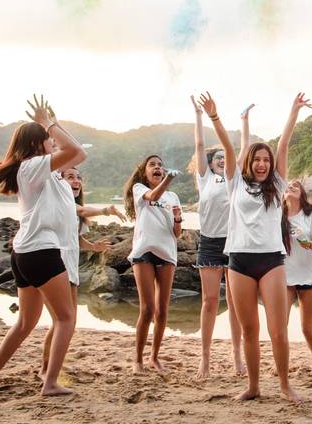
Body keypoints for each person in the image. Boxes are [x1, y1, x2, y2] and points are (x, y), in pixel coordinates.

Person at [198, 91, 311, 402]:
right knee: (250, 330)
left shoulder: (276, 184)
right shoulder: (234, 181)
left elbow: (284, 144)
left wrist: (293, 112)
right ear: (250, 161)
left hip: (271, 262)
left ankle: (286, 385)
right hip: (238, 263)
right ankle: (253, 386)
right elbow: (225, 146)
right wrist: (214, 117)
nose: (262, 163)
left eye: (266, 159)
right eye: (258, 159)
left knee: (278, 331)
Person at [0, 95, 85, 396]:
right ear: (39, 144)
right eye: (48, 139)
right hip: (41, 252)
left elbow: (77, 155)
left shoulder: (49, 175)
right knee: (66, 317)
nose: (53, 142)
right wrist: (47, 123)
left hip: (26, 253)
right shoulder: (32, 166)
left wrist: (54, 123)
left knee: (25, 322)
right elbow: (73, 150)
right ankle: (49, 382)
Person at [38, 166, 126, 379]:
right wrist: (106, 211)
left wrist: (93, 247)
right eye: (70, 177)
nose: (76, 181)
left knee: (68, 322)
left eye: (79, 178)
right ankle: (46, 369)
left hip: (71, 267)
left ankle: (52, 365)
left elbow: (76, 238)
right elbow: (81, 211)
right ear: (60, 182)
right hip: (55, 264)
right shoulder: (61, 202)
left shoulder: (75, 209)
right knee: (62, 321)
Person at [190, 96, 253, 378]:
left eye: (221, 158)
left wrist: (243, 121)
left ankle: (237, 356)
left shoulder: (232, 179)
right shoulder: (204, 178)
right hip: (209, 243)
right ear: (209, 163)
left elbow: (242, 149)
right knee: (209, 301)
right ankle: (204, 359)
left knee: (236, 303)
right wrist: (199, 116)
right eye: (215, 158)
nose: (219, 160)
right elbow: (200, 145)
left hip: (233, 243)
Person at [123, 155, 182, 373]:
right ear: (145, 172)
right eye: (152, 165)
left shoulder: (173, 196)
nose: (157, 167)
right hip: (144, 252)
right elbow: (152, 195)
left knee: (162, 311)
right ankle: (137, 360)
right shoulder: (140, 189)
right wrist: (167, 180)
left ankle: (154, 358)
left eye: (160, 165)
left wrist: (177, 218)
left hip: (167, 253)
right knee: (147, 309)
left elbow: (177, 234)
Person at [282, 180, 312, 376]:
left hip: (309, 274)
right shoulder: (278, 215)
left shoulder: (311, 214)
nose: (290, 187)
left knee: (307, 328)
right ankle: (282, 365)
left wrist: (305, 241)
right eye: (288, 185)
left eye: (295, 186)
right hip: (284, 274)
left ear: (302, 193)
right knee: (280, 325)